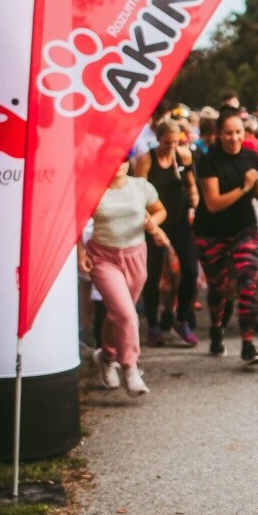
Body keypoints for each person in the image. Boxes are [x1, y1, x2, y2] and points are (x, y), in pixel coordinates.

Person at [79, 155, 170, 396]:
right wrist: (80, 253)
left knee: (118, 314)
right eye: (112, 159)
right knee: (127, 313)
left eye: (122, 159)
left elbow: (160, 210)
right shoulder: (93, 189)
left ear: (128, 162)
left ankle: (107, 357)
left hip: (136, 256)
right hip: (103, 258)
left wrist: (153, 222)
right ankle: (130, 367)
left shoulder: (140, 186)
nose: (117, 164)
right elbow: (74, 223)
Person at [193, 107, 258, 365]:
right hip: (211, 231)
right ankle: (217, 328)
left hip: (244, 227)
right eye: (228, 133)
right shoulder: (208, 160)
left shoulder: (251, 156)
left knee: (248, 279)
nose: (234, 138)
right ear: (218, 134)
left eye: (238, 132)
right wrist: (244, 187)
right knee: (218, 288)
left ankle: (248, 343)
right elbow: (213, 203)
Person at [135, 118, 200, 348]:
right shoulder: (146, 160)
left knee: (191, 270)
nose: (171, 147)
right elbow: (138, 194)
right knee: (152, 275)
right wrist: (150, 224)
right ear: (157, 140)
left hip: (179, 221)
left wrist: (194, 198)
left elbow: (191, 183)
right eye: (166, 143)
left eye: (175, 142)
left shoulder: (183, 155)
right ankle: (153, 324)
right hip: (155, 222)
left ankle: (181, 319)